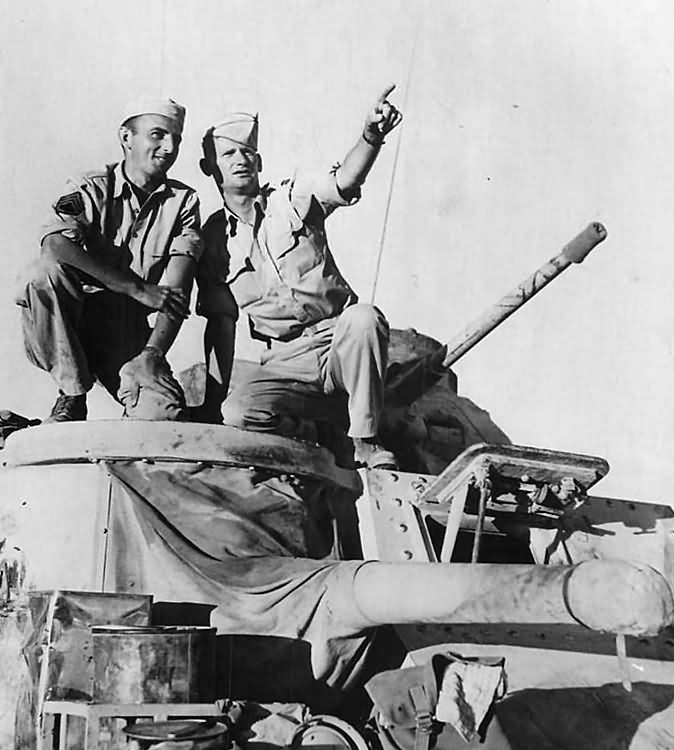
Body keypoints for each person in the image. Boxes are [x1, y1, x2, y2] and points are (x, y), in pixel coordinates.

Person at [196, 86, 403, 468]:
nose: (241, 160)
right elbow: (222, 323)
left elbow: (344, 182)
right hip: (286, 359)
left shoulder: (290, 198)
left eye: (248, 153)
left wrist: (371, 137)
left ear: (259, 161)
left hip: (339, 341)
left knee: (364, 318)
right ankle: (324, 426)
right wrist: (211, 402)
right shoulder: (211, 241)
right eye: (228, 154)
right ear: (209, 168)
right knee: (238, 413)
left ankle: (367, 441)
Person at [16, 97, 202, 422]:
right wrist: (136, 287)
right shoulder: (90, 187)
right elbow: (55, 245)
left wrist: (151, 355)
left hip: (124, 334)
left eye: (177, 138)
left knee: (164, 418)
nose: (170, 147)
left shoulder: (183, 203)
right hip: (71, 322)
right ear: (126, 137)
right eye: (158, 134)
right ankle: (72, 395)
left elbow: (176, 292)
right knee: (41, 274)